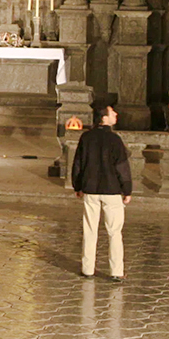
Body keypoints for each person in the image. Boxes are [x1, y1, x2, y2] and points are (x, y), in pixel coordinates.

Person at [72, 103, 132, 281]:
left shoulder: (86, 137)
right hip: (112, 191)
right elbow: (122, 167)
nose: (116, 114)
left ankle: (88, 268)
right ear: (104, 117)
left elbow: (78, 164)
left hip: (90, 189)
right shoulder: (115, 140)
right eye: (112, 112)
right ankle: (116, 271)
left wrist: (78, 186)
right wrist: (127, 190)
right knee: (114, 232)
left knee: (90, 230)